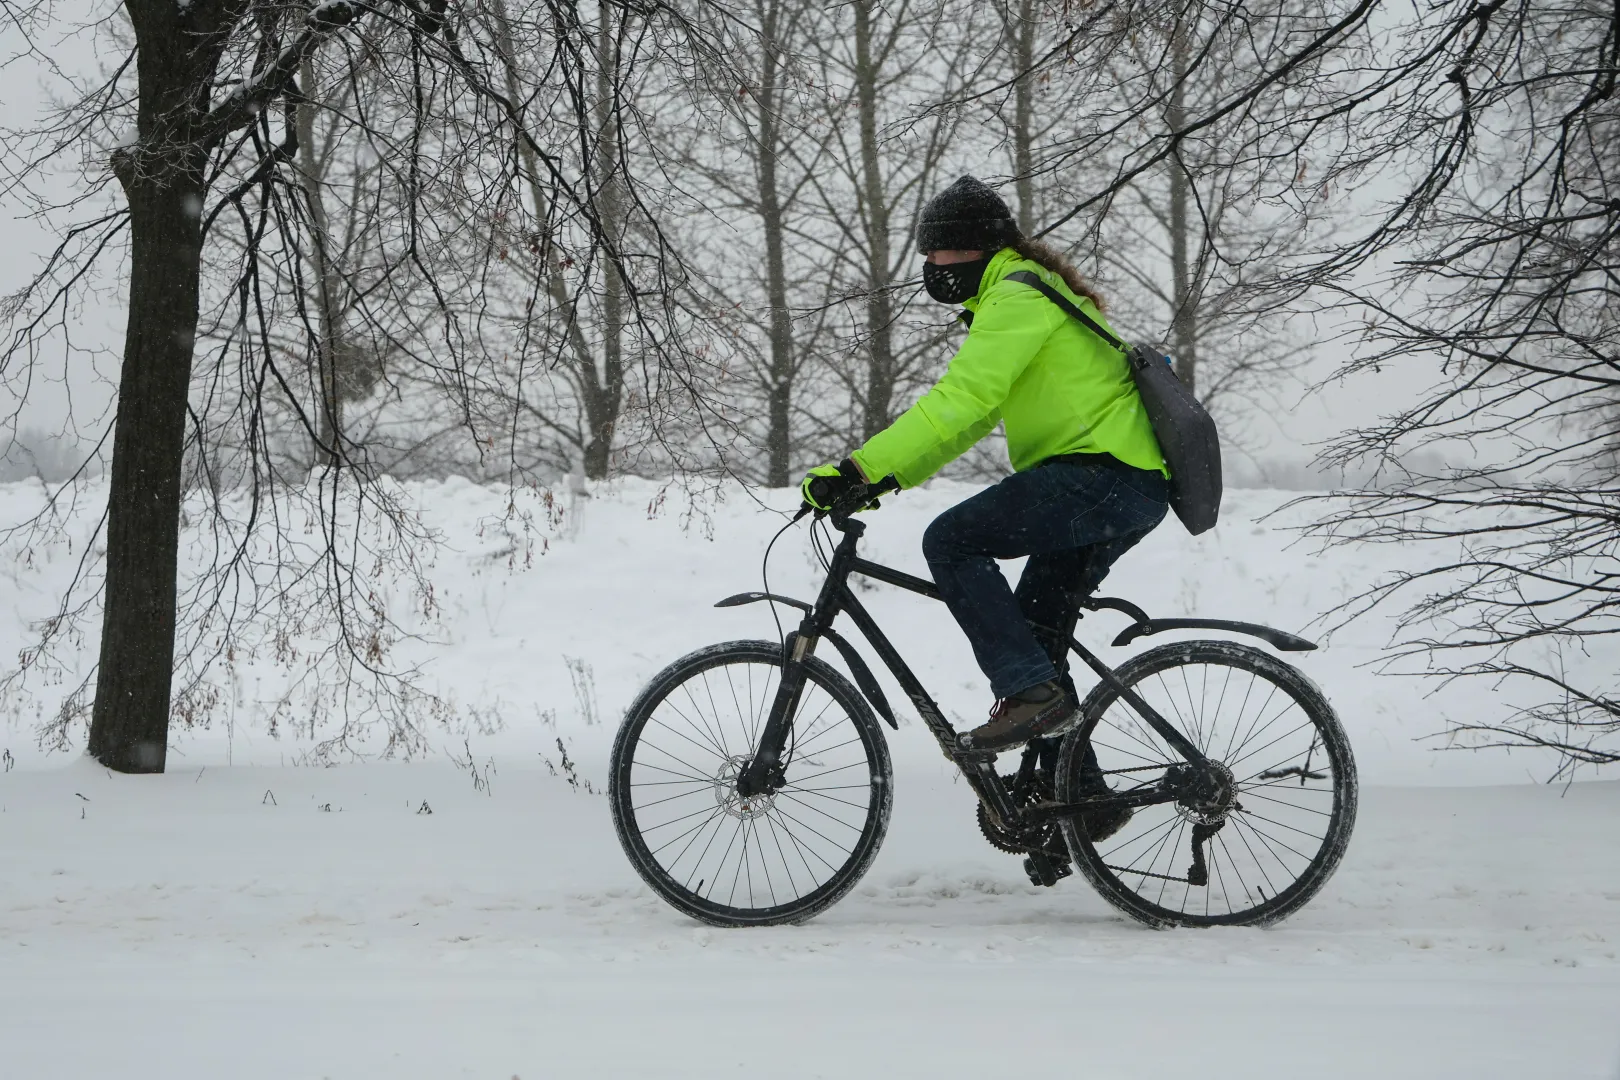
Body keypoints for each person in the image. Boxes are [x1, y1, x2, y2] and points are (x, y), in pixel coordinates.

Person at [801, 175, 1169, 755]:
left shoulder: (1017, 297)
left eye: (935, 251)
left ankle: (1029, 697)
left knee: (952, 541)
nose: (929, 264)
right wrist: (890, 476)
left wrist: (856, 469)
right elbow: (975, 418)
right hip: (1124, 486)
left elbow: (960, 400)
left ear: (973, 247)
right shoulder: (1022, 295)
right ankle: (1069, 805)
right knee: (1037, 640)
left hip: (1101, 476)